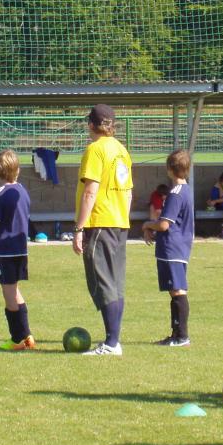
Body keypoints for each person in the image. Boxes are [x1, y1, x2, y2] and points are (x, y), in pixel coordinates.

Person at [72, 104, 133, 356]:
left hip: (100, 221)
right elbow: (129, 192)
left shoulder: (95, 149)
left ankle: (111, 343)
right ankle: (113, 340)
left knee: (103, 282)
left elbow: (90, 191)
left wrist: (79, 228)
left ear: (90, 124)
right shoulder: (122, 150)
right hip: (120, 222)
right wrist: (122, 218)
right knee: (116, 283)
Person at [142, 150, 194, 347]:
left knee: (177, 290)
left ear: (170, 169)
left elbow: (164, 224)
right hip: (180, 247)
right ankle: (176, 334)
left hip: (172, 248)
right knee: (175, 290)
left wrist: (147, 225)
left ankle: (182, 336)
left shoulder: (175, 194)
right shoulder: (187, 190)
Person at [0, 150, 35, 351]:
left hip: (5, 251)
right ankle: (27, 335)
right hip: (21, 250)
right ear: (18, 169)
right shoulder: (23, 191)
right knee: (14, 290)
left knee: (8, 294)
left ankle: (17, 339)